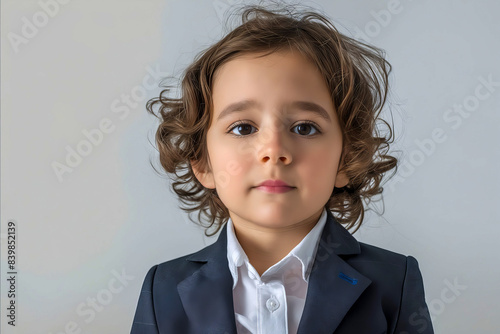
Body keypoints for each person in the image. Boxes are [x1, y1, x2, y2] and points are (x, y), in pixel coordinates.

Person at [131, 3, 434, 334]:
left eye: (305, 128)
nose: (274, 151)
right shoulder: (163, 288)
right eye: (243, 128)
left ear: (346, 158)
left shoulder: (394, 281)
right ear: (202, 162)